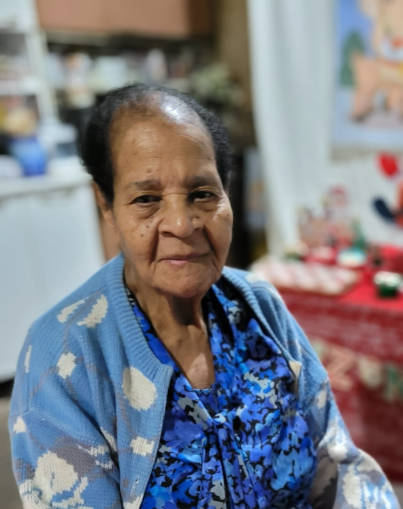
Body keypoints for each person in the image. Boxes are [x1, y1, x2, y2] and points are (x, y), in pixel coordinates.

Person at [9, 83, 398, 509]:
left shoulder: (258, 305)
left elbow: (337, 460)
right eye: (147, 199)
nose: (182, 223)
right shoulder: (62, 358)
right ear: (106, 205)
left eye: (202, 194)